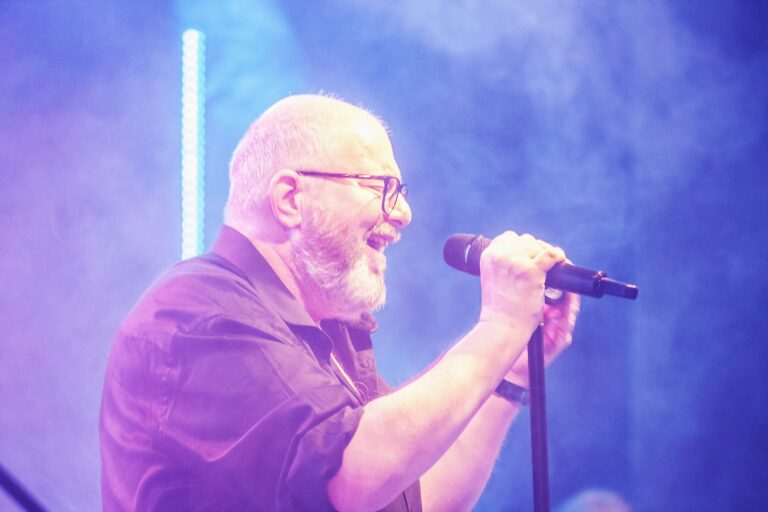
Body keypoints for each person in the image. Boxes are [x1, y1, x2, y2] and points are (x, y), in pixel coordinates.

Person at [99, 94, 580, 511]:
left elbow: (415, 498)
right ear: (290, 199)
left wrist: (510, 373)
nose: (404, 213)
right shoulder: (198, 314)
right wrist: (499, 324)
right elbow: (355, 475)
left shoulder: (328, 331)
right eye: (381, 187)